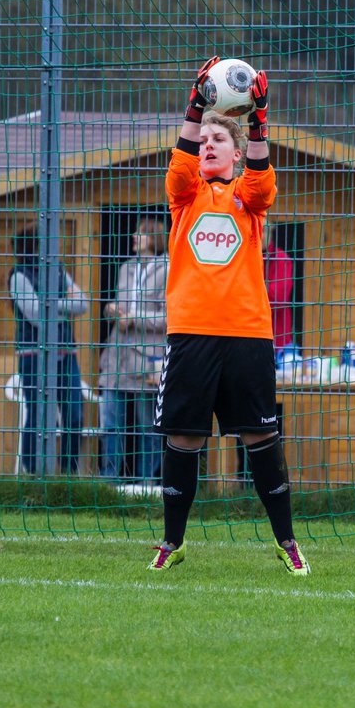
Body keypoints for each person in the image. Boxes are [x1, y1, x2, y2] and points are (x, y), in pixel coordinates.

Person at [148, 57, 310, 576]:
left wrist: (260, 121)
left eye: (221, 140)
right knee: (184, 438)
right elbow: (177, 168)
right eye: (205, 141)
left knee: (260, 437)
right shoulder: (185, 196)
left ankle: (286, 541)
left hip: (246, 335)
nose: (209, 146)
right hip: (192, 334)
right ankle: (173, 541)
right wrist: (195, 108)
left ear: (238, 154)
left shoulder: (247, 199)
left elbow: (264, 183)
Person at [8, 225, 87, 475]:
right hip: (34, 355)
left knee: (74, 415)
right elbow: (35, 316)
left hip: (66, 355)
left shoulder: (58, 271)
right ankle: (34, 472)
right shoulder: (19, 276)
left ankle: (68, 473)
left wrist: (52, 304)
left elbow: (83, 304)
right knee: (40, 415)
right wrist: (62, 306)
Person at [98, 218, 169, 483]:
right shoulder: (126, 267)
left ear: (155, 238)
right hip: (116, 356)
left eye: (141, 233)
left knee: (146, 427)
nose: (134, 236)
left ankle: (146, 483)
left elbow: (169, 318)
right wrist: (111, 310)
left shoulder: (169, 269)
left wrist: (134, 317)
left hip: (147, 360)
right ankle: (109, 481)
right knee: (110, 424)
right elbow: (118, 304)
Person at [263, 222, 295, 350]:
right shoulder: (243, 257)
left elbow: (278, 297)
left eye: (264, 231)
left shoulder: (281, 258)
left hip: (278, 334)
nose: (261, 235)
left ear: (270, 234)